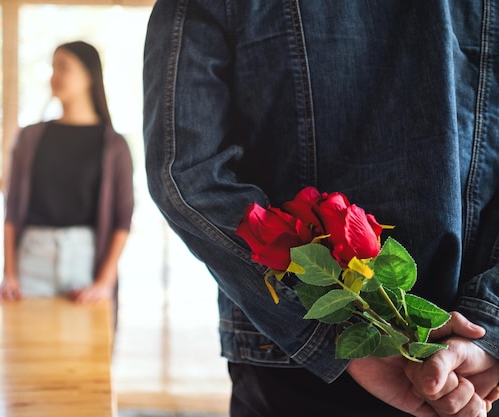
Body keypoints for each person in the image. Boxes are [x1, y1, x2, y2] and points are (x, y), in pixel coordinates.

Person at [143, 2, 499, 416]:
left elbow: (185, 171)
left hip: (296, 367)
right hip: (468, 370)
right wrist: (487, 326)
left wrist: (342, 335)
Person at [0, 41, 134, 310]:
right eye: (53, 68)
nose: (54, 77)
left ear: (88, 76)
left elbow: (123, 218)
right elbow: (11, 209)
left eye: (64, 67)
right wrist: (9, 274)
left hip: (84, 262)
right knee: (27, 350)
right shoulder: (30, 137)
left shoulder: (114, 145)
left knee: (83, 351)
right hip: (31, 259)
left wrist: (105, 281)